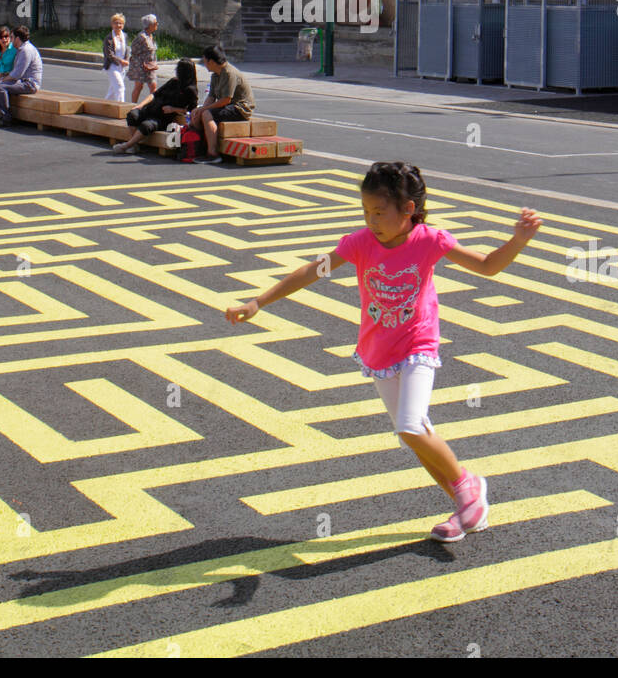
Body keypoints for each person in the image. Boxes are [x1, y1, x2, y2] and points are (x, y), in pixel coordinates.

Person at [227, 161, 542, 541]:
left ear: (408, 210)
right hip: (378, 351)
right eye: (366, 212)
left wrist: (519, 239)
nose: (371, 220)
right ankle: (465, 508)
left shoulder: (430, 240)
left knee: (411, 426)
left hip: (418, 345)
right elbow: (313, 271)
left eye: (379, 212)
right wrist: (259, 302)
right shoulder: (359, 243)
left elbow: (489, 266)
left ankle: (469, 486)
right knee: (415, 434)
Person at [111, 58, 198, 154]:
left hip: (162, 117)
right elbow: (154, 94)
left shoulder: (190, 90)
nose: (176, 72)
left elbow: (192, 110)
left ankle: (126, 145)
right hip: (151, 108)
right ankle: (134, 145)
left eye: (179, 70)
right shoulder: (173, 82)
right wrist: (140, 105)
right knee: (132, 115)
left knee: (146, 125)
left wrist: (173, 109)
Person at [191, 43, 255, 162]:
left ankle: (213, 154)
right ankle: (200, 148)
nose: (204, 64)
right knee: (199, 114)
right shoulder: (215, 75)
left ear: (212, 62)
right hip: (228, 106)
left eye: (205, 61)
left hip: (240, 109)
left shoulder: (229, 73)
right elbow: (211, 96)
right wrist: (200, 109)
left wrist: (204, 110)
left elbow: (226, 100)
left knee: (207, 114)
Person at [0, 26, 43, 127]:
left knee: (0, 87)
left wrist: (2, 81)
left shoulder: (26, 51)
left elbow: (17, 74)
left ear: (17, 39)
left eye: (11, 37)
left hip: (29, 84)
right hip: (23, 81)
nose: (10, 40)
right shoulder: (22, 49)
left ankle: (5, 118)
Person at [127, 15, 159, 102]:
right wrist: (141, 60)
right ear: (150, 24)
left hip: (150, 66)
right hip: (140, 66)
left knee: (153, 86)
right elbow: (133, 49)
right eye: (155, 22)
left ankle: (153, 106)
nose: (157, 24)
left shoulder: (150, 35)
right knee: (139, 86)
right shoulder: (141, 36)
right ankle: (133, 105)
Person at [103, 14, 130, 102]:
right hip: (112, 66)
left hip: (121, 67)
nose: (118, 25)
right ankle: (121, 108)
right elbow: (109, 54)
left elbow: (127, 48)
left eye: (120, 23)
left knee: (112, 91)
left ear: (123, 25)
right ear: (112, 24)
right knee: (120, 86)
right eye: (116, 23)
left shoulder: (124, 36)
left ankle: (104, 106)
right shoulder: (109, 38)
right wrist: (121, 61)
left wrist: (126, 59)